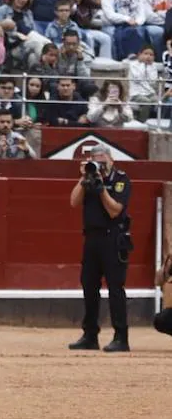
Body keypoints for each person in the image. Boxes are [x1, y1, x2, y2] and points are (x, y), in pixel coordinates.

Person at [70, 144, 133, 352]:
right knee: (89, 287)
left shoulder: (120, 179)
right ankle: (90, 335)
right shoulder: (89, 179)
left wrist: (102, 190)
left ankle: (121, 337)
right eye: (95, 160)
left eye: (102, 159)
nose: (99, 164)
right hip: (92, 238)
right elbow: (73, 201)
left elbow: (115, 211)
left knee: (115, 288)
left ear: (111, 160)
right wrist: (84, 178)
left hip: (113, 239)